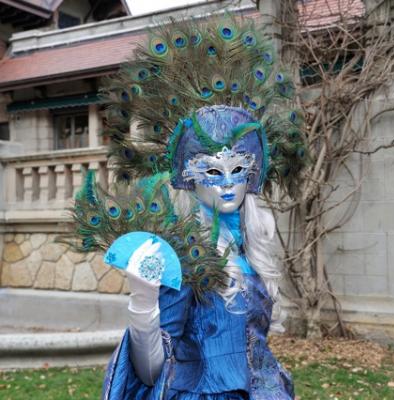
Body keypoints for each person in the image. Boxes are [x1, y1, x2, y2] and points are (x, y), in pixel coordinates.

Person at [66, 13, 307, 400]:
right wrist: (143, 301)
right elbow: (150, 371)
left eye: (239, 170)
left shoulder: (253, 246)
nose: (229, 183)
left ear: (253, 173)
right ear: (190, 178)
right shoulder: (187, 255)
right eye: (213, 171)